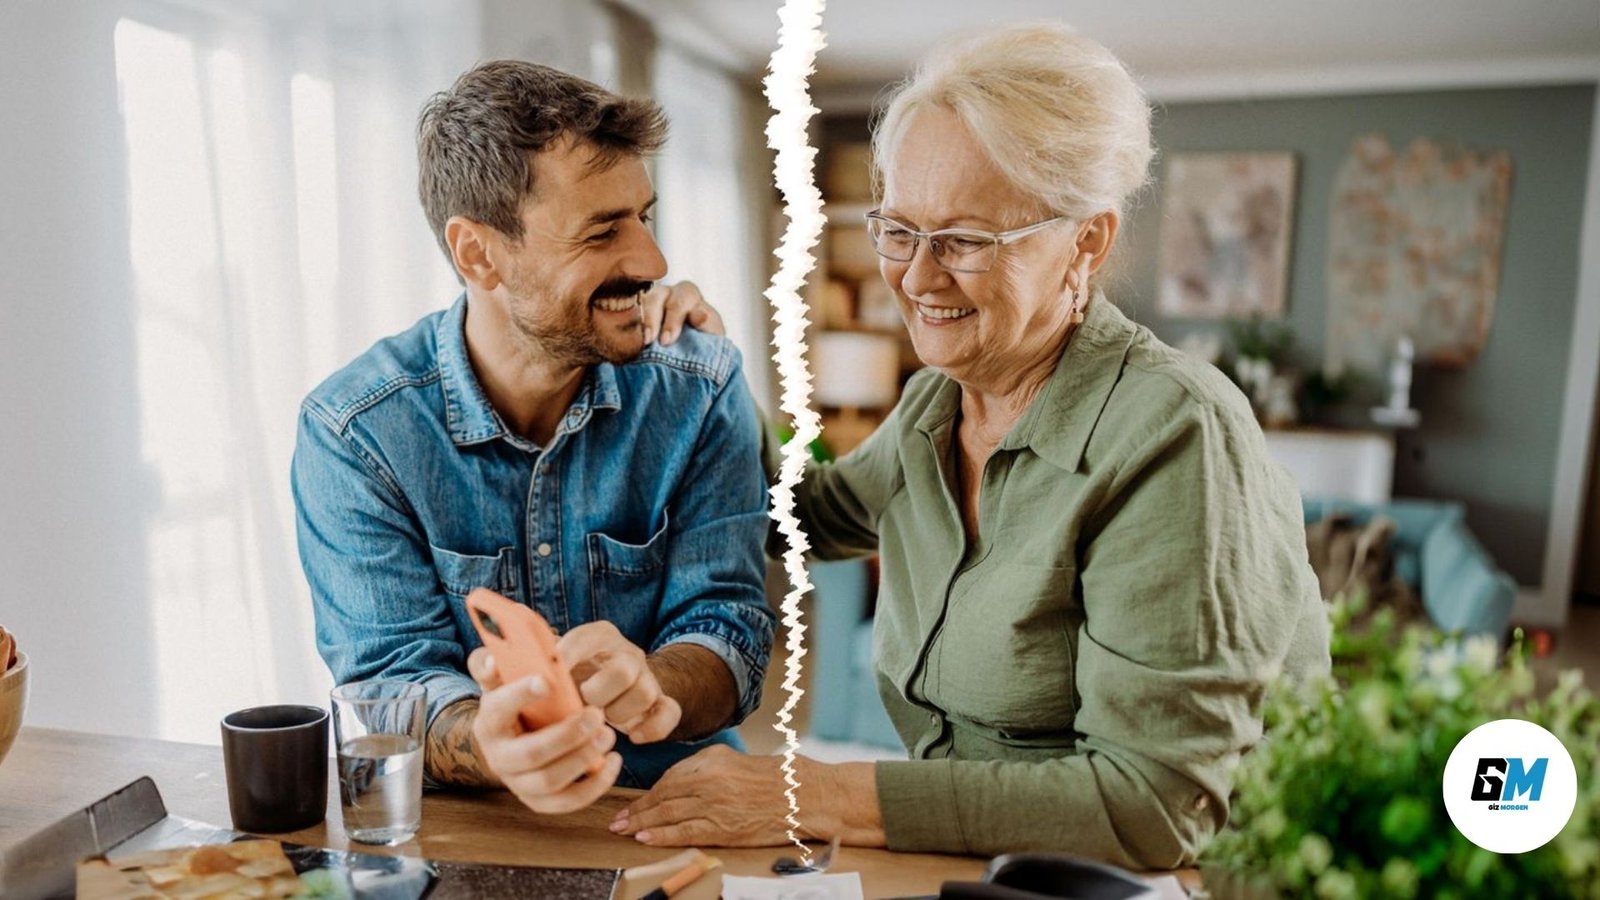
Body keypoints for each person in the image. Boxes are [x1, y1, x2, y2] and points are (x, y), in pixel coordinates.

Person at [611, 23, 1331, 869]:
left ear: (1086, 241)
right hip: (977, 865)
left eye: (964, 241)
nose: (918, 277)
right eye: (900, 230)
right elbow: (793, 517)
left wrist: (818, 793)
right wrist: (708, 365)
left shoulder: (1176, 433)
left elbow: (1155, 805)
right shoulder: (938, 404)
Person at [291, 60, 774, 815]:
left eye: (643, 217)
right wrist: (494, 744)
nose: (652, 262)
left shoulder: (700, 387)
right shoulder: (356, 433)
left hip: (672, 799)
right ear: (478, 253)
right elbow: (390, 682)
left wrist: (654, 685)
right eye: (602, 231)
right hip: (477, 819)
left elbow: (730, 624)